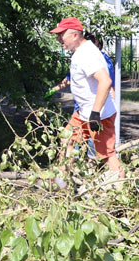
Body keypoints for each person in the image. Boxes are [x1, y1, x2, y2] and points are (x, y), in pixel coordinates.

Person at [49, 17, 124, 186]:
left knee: (107, 156)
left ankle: (122, 190)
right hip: (83, 112)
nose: (58, 39)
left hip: (98, 115)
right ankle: (61, 184)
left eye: (61, 35)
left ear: (75, 35)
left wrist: (95, 114)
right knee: (66, 139)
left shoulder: (87, 55)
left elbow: (106, 81)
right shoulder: (80, 52)